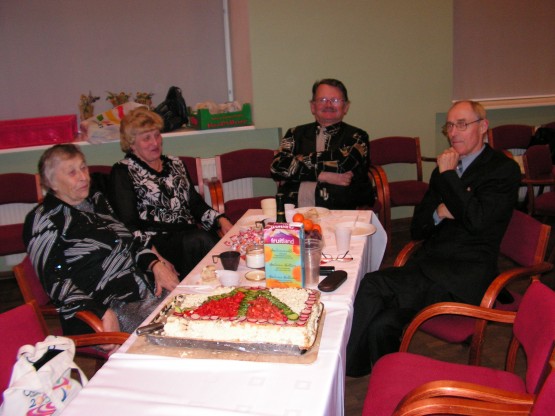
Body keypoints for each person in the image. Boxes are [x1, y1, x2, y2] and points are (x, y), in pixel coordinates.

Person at [346, 100, 522, 377]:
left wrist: (450, 176)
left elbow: (477, 221)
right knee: (383, 323)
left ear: (483, 127)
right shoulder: (442, 169)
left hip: (463, 277)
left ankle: (344, 367)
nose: (453, 133)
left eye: (462, 125)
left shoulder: (502, 170)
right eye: (449, 126)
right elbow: (418, 228)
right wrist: (440, 212)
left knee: (372, 283)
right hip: (430, 267)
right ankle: (389, 379)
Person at [23, 144, 179, 335]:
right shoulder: (44, 219)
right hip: (104, 309)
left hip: (142, 292)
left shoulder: (96, 200)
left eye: (83, 167)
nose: (83, 177)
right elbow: (56, 283)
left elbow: (128, 240)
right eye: (72, 172)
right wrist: (100, 311)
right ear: (52, 182)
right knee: (181, 331)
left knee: (198, 308)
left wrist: (155, 264)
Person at [110, 107, 233, 278]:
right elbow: (128, 225)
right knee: (201, 241)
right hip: (157, 243)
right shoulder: (123, 171)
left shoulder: (176, 163)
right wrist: (154, 258)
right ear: (131, 144)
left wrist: (220, 220)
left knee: (217, 240)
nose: (155, 143)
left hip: (189, 235)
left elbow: (195, 204)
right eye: (146, 138)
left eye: (157, 135)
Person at [271, 78, 374, 209]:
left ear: (346, 107)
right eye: (322, 100)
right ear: (313, 106)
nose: (328, 105)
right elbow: (277, 168)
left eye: (335, 100)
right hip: (293, 209)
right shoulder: (294, 133)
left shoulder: (358, 136)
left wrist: (298, 160)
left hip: (341, 211)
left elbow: (342, 163)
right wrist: (324, 176)